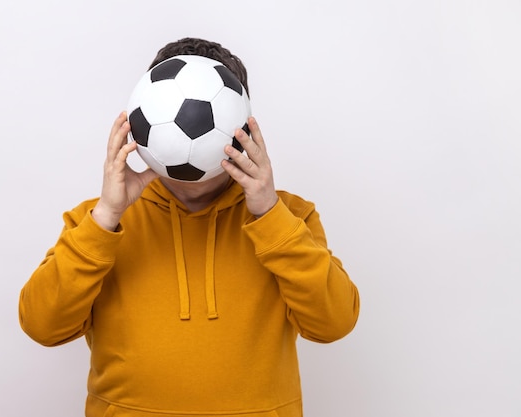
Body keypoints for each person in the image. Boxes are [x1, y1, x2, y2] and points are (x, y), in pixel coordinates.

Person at [19, 37, 360, 417]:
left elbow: (334, 323)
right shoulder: (96, 222)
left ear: (241, 122)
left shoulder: (289, 217)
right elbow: (41, 326)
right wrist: (105, 217)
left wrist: (268, 212)